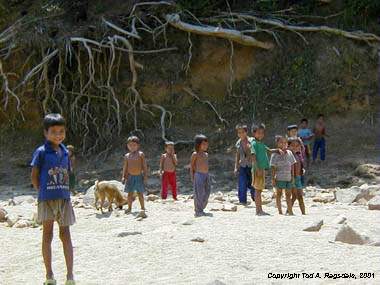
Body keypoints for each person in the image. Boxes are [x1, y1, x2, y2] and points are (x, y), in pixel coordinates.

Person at [30, 113, 76, 285]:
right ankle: (49, 275)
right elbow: (34, 175)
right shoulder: (41, 152)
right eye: (54, 132)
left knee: (66, 235)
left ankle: (70, 276)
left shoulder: (65, 152)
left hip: (64, 200)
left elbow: (68, 173)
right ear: (45, 133)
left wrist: (68, 191)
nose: (58, 135)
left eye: (61, 131)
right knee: (47, 235)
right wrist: (41, 192)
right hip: (46, 200)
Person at [250, 123, 281, 216]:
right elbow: (253, 156)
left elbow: (269, 150)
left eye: (262, 133)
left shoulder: (261, 143)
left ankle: (259, 210)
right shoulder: (254, 143)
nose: (260, 135)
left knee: (259, 190)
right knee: (257, 190)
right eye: (258, 133)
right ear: (254, 133)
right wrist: (257, 168)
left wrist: (277, 150)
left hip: (261, 169)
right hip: (257, 170)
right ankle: (258, 210)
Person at [122, 136, 148, 217]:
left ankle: (143, 207)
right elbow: (125, 167)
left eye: (134, 145)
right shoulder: (127, 156)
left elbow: (144, 166)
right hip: (130, 177)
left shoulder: (141, 154)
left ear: (138, 146)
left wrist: (145, 176)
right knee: (130, 194)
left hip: (139, 176)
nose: (132, 147)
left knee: (140, 193)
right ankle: (129, 208)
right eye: (130, 145)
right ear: (127, 146)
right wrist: (123, 176)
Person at [270, 136, 297, 215]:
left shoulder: (289, 153)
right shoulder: (275, 154)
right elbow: (273, 167)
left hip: (288, 177)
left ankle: (290, 211)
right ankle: (280, 211)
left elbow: (292, 165)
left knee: (288, 194)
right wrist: (273, 178)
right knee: (279, 194)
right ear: (277, 144)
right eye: (281, 142)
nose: (283, 144)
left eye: (285, 143)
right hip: (279, 177)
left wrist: (292, 176)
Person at [190, 134, 211, 217]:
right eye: (204, 144)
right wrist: (192, 176)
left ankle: (202, 207)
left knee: (207, 191)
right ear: (198, 145)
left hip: (206, 175)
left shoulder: (206, 155)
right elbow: (191, 166)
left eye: (207, 144)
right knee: (199, 193)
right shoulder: (195, 154)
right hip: (198, 175)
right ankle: (198, 210)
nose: (206, 146)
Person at [234, 124, 255, 205]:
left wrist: (250, 149)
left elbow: (255, 153)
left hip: (252, 166)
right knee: (242, 183)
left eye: (242, 132)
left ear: (246, 132)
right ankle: (242, 201)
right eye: (239, 133)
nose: (241, 134)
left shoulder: (252, 141)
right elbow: (237, 155)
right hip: (242, 165)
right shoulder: (238, 143)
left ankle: (255, 198)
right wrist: (236, 167)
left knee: (253, 184)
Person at [289, 137, 306, 215]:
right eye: (293, 145)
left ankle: (304, 213)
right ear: (288, 146)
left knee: (299, 197)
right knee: (295, 195)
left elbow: (303, 148)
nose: (295, 147)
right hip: (291, 178)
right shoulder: (288, 156)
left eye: (297, 145)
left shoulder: (299, 155)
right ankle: (288, 210)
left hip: (298, 178)